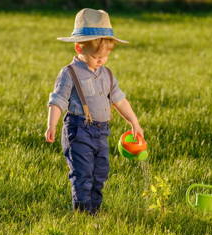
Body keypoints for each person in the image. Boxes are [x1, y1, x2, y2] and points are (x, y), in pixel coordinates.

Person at [45, 8, 144, 215]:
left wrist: (134, 122)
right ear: (79, 47)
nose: (101, 61)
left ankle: (95, 211)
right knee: (83, 174)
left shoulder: (106, 74)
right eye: (96, 56)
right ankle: (83, 213)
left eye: (105, 56)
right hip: (78, 130)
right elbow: (58, 100)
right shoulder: (69, 73)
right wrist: (51, 124)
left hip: (101, 132)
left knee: (100, 173)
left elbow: (119, 100)